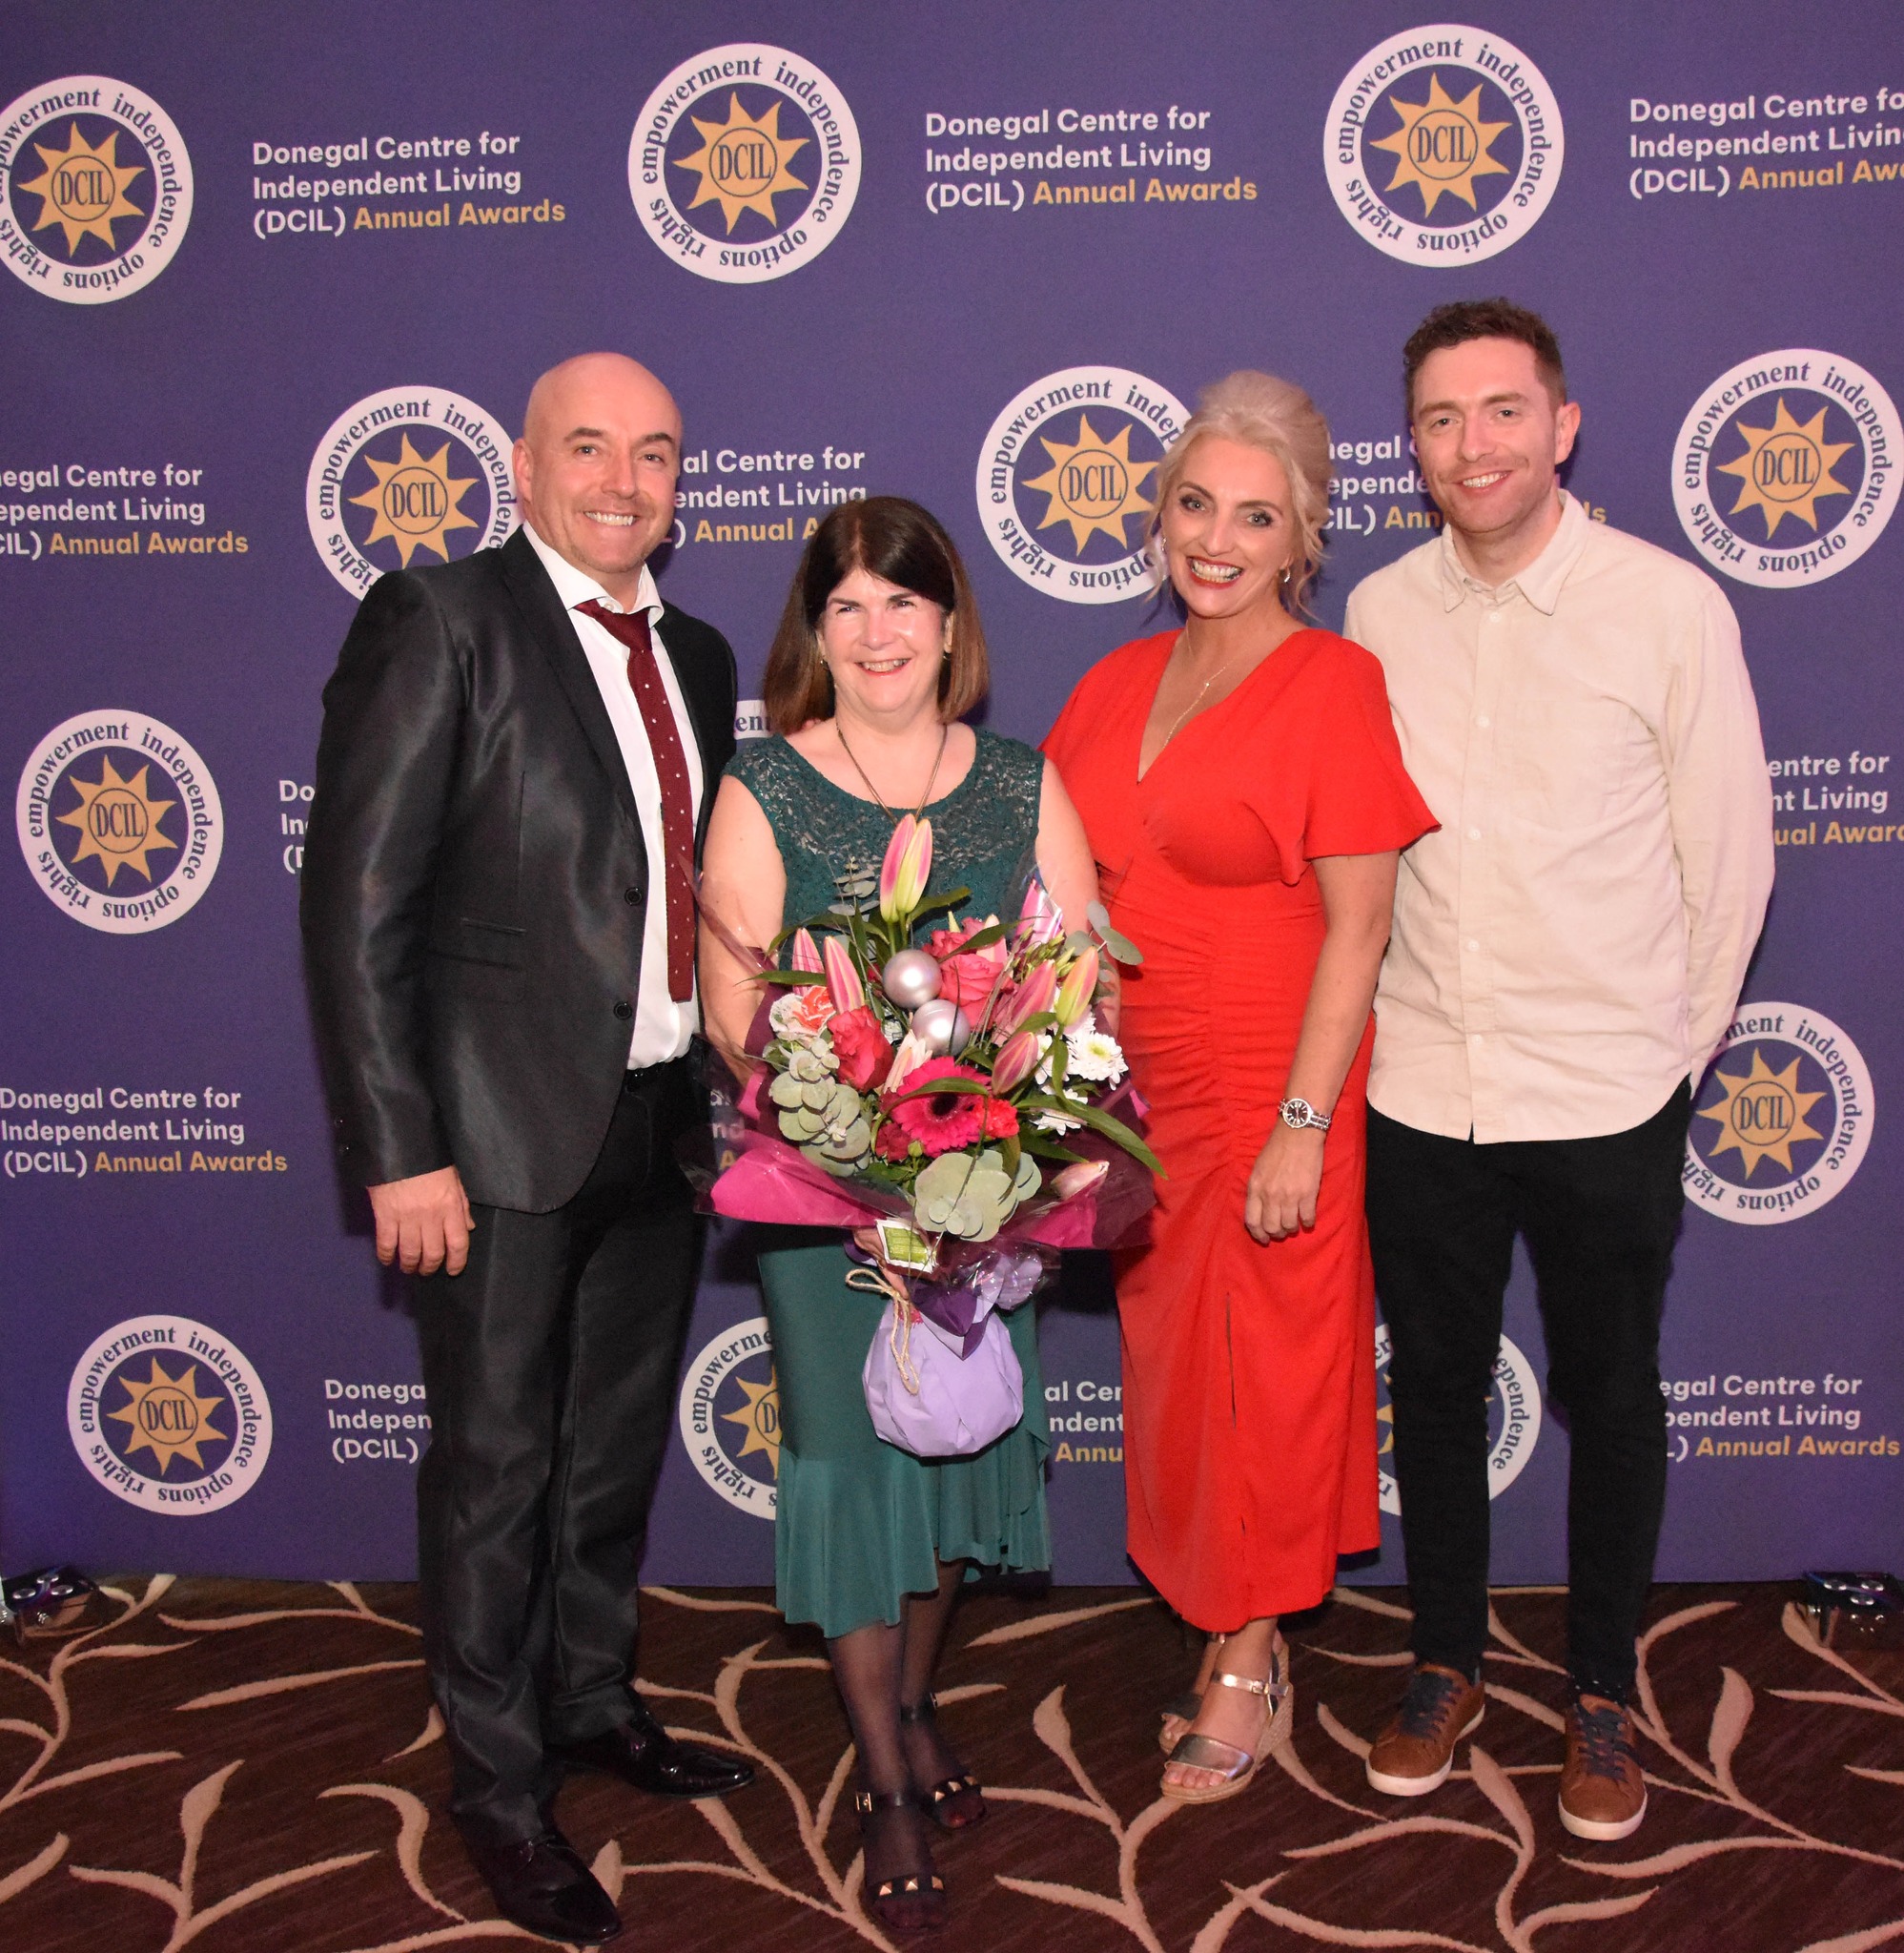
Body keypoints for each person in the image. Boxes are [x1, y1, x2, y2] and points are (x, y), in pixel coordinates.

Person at [301, 352, 753, 1944]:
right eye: (590, 448)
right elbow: (358, 905)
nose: (624, 482)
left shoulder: (694, 652)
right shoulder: (440, 618)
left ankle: (587, 1699)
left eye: (656, 452)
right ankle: (497, 1790)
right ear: (521, 462)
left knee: (608, 1450)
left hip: (657, 1118)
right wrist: (398, 1148)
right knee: (496, 1468)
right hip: (491, 1137)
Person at [1345, 298, 1773, 1842]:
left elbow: (1728, 858)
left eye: (1502, 411)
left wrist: (1665, 1057)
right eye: (1441, 419)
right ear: (1413, 446)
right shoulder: (1376, 612)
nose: (1474, 445)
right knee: (1433, 1389)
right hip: (1421, 1085)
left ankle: (1599, 1692)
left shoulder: (1665, 607)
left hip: (1604, 1092)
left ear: (1562, 426)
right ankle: (1444, 1663)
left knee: (1610, 1393)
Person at [697, 497, 1102, 1929]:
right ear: (816, 631)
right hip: (825, 1204)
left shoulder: (1019, 781)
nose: (877, 634)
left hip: (984, 1199)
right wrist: (866, 1151)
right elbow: (739, 1014)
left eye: (902, 603)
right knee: (855, 1468)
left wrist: (1011, 1142)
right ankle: (882, 1775)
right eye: (847, 607)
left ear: (948, 623)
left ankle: (917, 1702)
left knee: (951, 1455)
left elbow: (1080, 979)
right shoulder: (766, 781)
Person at [1043, 373, 1435, 1804]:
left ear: (1302, 536)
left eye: (1255, 517)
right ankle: (1216, 1603)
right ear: (1159, 515)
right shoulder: (1114, 681)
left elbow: (1362, 925)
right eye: (1195, 504)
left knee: (1265, 1370)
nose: (1216, 539)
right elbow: (1064, 898)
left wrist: (1303, 1126)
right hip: (1136, 1094)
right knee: (1175, 1371)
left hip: (1274, 1078)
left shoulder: (1333, 684)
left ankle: (1249, 1653)